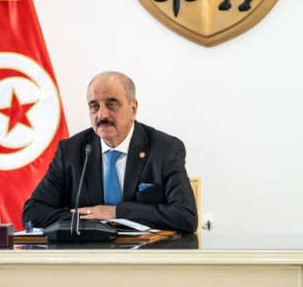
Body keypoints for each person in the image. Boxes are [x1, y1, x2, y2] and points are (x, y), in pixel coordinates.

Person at [22, 71, 197, 233]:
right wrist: (92, 222)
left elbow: (185, 216)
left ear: (133, 108)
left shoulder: (165, 149)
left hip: (146, 254)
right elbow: (32, 213)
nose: (102, 115)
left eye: (111, 104)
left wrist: (116, 212)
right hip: (89, 253)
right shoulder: (71, 151)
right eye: (94, 106)